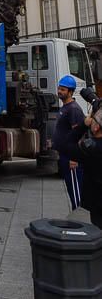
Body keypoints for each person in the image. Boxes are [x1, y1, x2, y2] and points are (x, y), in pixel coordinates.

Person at [60, 107, 102, 228]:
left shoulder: (91, 148)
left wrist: (83, 125)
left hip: (94, 203)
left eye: (93, 120)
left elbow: (67, 144)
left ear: (96, 127)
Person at [52, 75, 85, 211]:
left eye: (63, 89)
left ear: (70, 92)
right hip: (64, 156)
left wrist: (74, 158)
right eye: (59, 88)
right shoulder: (65, 107)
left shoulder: (73, 109)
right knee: (71, 190)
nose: (59, 91)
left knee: (76, 190)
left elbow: (79, 135)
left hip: (71, 158)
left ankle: (80, 218)